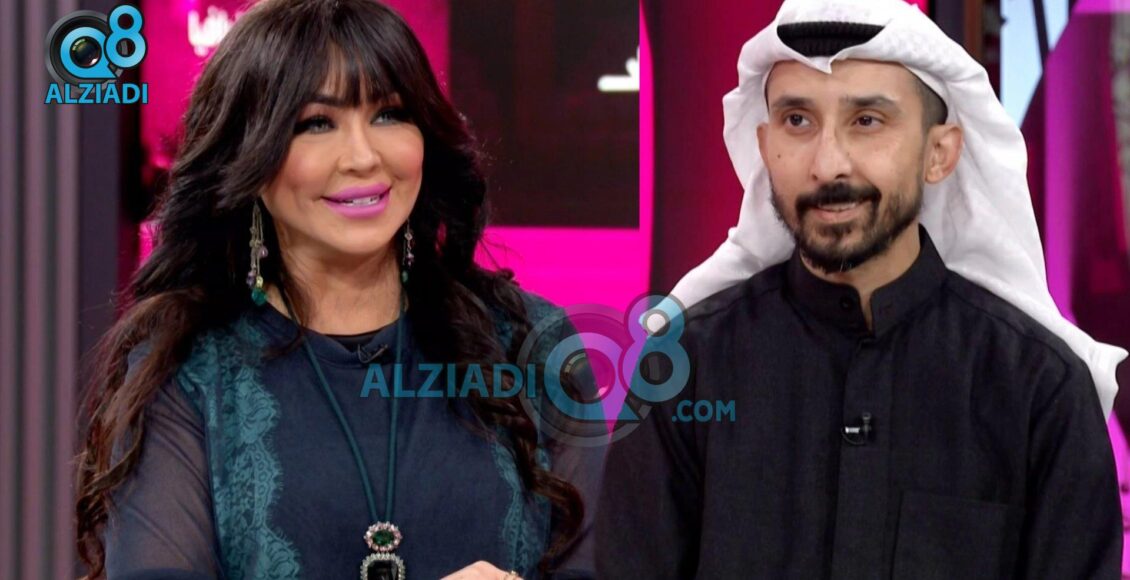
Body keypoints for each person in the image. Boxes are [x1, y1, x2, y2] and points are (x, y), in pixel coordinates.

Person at [596, 0, 1126, 578]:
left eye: (867, 120)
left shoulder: (1038, 387)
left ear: (940, 153)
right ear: (765, 145)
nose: (828, 164)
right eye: (798, 120)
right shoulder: (683, 369)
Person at [73, 1, 602, 578]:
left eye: (389, 114)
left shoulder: (532, 348)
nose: (363, 157)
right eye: (316, 123)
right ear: (248, 156)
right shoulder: (186, 371)